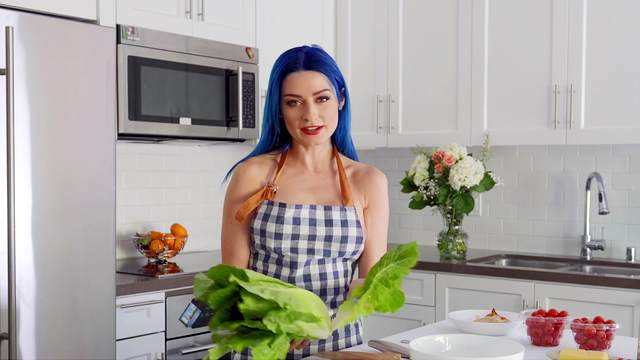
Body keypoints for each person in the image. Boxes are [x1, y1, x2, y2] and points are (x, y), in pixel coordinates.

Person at [221, 45, 389, 359]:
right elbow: (232, 279)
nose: (310, 114)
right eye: (293, 102)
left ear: (340, 99)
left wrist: (355, 298)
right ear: (279, 110)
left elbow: (370, 280)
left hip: (338, 345)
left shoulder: (369, 181)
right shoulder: (253, 174)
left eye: (321, 98)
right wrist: (277, 321)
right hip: (265, 342)